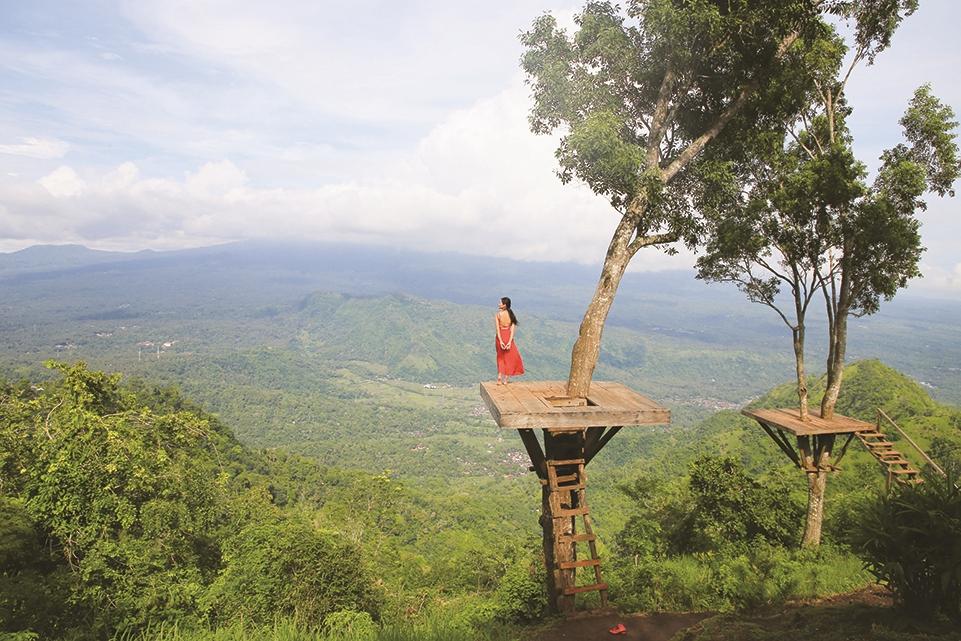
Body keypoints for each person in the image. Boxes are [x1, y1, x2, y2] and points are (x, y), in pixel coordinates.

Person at [495, 297, 524, 384]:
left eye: (500, 303)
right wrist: (509, 342)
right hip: (508, 336)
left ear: (504, 305)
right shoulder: (511, 315)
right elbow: (512, 331)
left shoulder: (498, 315)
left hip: (500, 336)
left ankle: (499, 376)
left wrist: (500, 340)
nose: (498, 304)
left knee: (500, 357)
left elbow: (497, 329)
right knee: (510, 357)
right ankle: (506, 379)